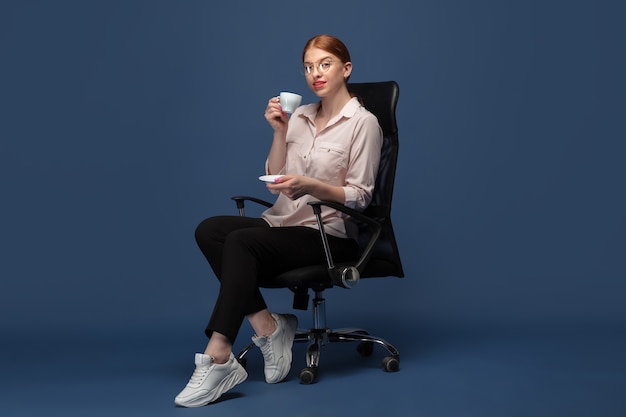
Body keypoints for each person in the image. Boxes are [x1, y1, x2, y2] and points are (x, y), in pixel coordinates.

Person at [174, 34, 383, 407]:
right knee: (210, 230)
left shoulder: (363, 123)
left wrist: (313, 186)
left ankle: (219, 355)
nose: (314, 73)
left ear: (346, 69)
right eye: (308, 66)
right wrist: (280, 131)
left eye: (324, 64)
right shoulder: (301, 115)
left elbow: (361, 196)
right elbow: (276, 181)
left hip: (328, 233)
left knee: (240, 243)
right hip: (283, 222)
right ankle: (269, 328)